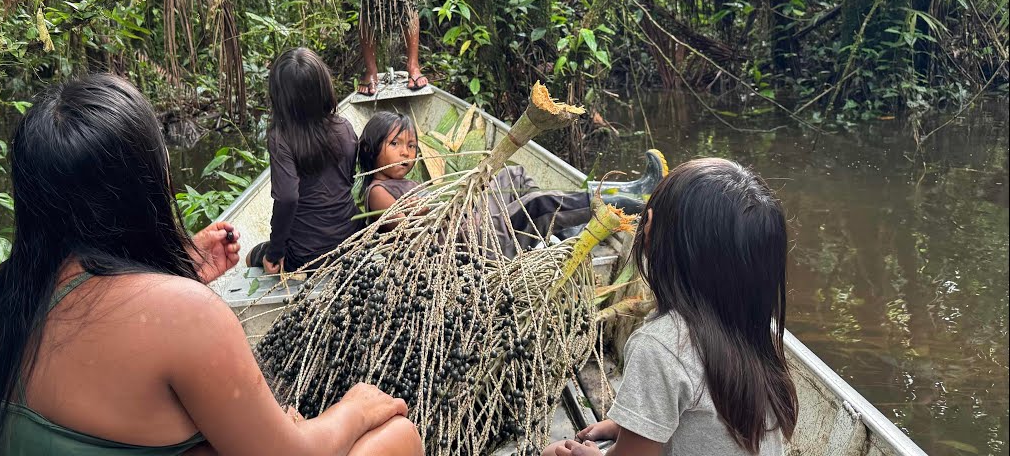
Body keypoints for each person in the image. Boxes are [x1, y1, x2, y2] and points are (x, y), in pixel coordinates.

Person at [0, 73, 422, 456]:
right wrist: (358, 406)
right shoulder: (185, 316)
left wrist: (178, 268)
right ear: (146, 187)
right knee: (397, 437)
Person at [541, 158, 798, 456]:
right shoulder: (750, 333)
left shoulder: (661, 345)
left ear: (650, 232)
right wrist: (628, 425)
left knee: (552, 453)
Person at [355, 111, 653, 257]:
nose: (406, 152)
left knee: (514, 175)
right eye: (395, 144)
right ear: (370, 150)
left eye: (411, 145)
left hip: (470, 222)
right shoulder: (377, 192)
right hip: (475, 245)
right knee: (536, 206)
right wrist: (459, 200)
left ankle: (558, 227)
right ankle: (627, 201)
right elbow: (416, 228)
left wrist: (469, 194)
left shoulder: (404, 182)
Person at [245, 48, 360, 274]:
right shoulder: (345, 128)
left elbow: (287, 197)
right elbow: (348, 180)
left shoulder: (281, 137)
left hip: (306, 255)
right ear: (324, 87)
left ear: (280, 98)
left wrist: (275, 252)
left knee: (251, 257)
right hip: (351, 244)